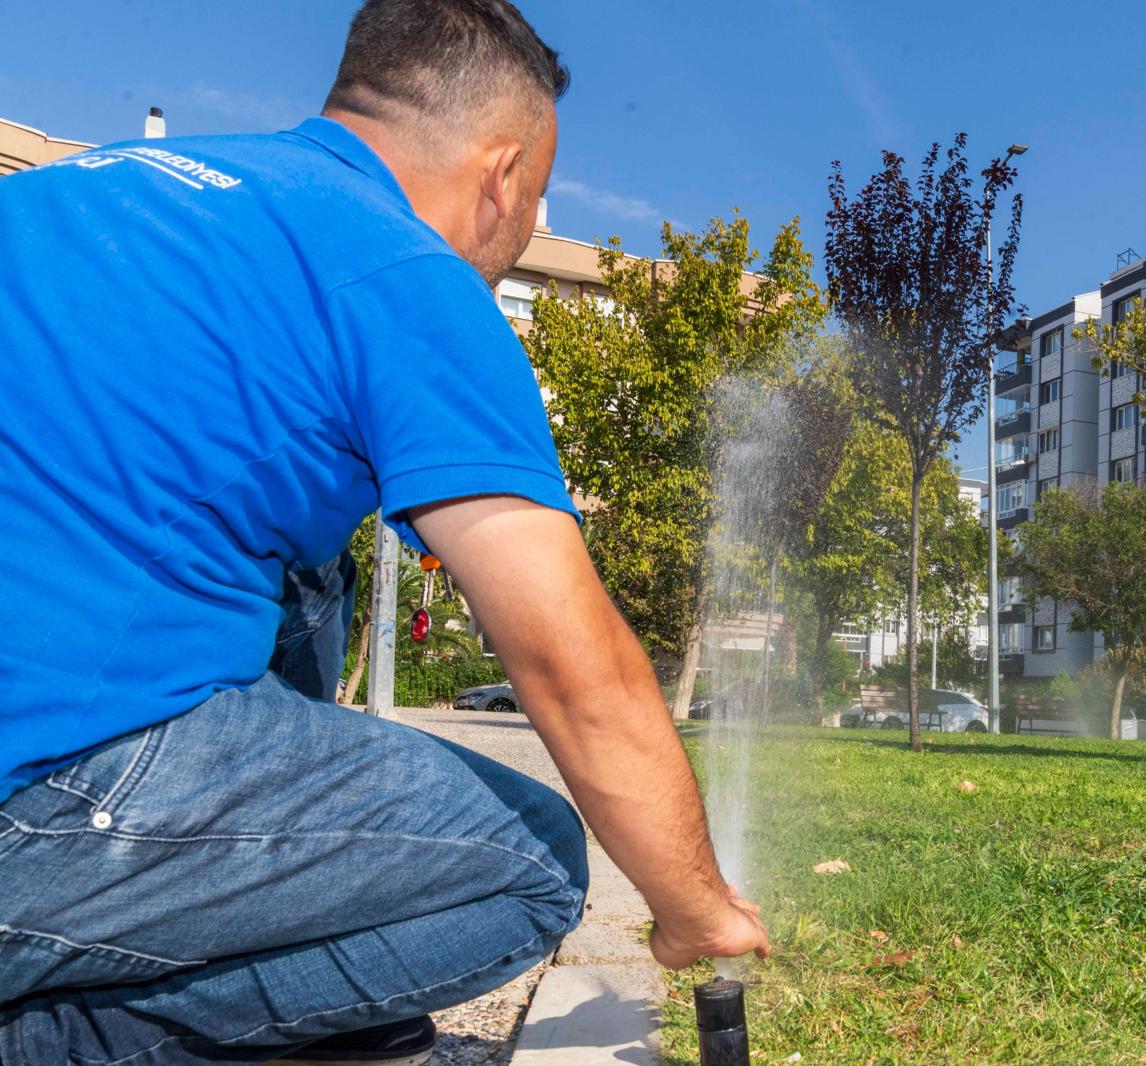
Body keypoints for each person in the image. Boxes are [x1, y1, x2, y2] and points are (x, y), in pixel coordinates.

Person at [0, 2, 768, 1062]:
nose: (522, 230)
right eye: (536, 202)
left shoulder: (91, 187)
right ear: (503, 174)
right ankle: (61, 1037)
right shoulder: (406, 274)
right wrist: (695, 907)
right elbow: (569, 666)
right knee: (529, 859)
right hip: (33, 803)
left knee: (315, 572)